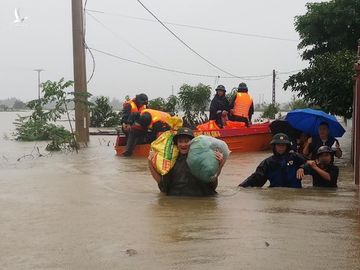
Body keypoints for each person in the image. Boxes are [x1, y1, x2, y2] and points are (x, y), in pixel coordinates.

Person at [148, 127, 225, 196]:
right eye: (180, 141)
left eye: (186, 141)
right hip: (177, 202)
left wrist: (219, 165)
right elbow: (163, 186)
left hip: (199, 200)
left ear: (193, 143)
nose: (183, 144)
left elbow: (213, 185)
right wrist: (150, 163)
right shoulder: (171, 161)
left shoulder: (202, 159)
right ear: (176, 144)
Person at [239, 133, 305, 188]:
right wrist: (241, 187)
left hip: (294, 193)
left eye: (283, 145)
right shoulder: (268, 162)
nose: (281, 147)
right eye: (278, 145)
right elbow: (257, 177)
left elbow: (310, 164)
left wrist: (302, 168)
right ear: (274, 146)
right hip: (276, 194)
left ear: (287, 146)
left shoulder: (295, 157)